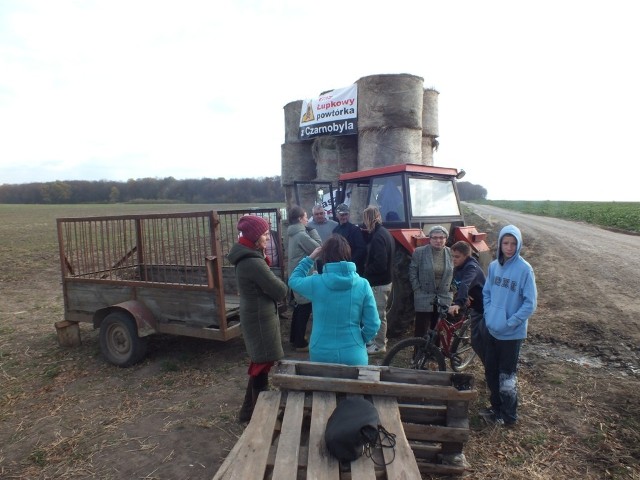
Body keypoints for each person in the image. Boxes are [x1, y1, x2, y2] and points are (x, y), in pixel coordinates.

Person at [227, 215, 288, 423]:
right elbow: (279, 290)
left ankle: (247, 413)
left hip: (255, 316)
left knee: (259, 364)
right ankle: (260, 419)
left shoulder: (248, 257)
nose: (267, 239)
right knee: (261, 366)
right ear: (254, 237)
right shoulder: (253, 262)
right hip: (260, 320)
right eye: (264, 235)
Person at [288, 234, 380, 366]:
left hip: (321, 352)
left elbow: (293, 280)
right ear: (348, 253)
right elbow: (373, 324)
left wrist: (310, 258)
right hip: (354, 354)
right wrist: (360, 340)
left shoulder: (316, 282)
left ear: (324, 255)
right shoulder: (363, 284)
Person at [481, 225, 537, 426]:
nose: (509, 247)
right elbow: (487, 293)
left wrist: (510, 322)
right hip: (492, 329)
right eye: (506, 243)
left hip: (511, 335)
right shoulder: (494, 266)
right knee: (491, 371)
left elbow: (530, 304)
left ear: (519, 244)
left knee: (507, 376)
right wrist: (489, 315)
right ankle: (495, 409)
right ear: (500, 244)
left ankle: (509, 416)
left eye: (514, 243)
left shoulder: (524, 270)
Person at [287, 205, 322, 351]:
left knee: (299, 306)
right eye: (306, 216)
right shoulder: (302, 235)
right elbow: (319, 248)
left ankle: (294, 338)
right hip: (303, 276)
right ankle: (300, 343)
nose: (308, 219)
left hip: (296, 274)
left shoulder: (292, 233)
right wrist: (313, 230)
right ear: (300, 219)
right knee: (305, 307)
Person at [361, 205, 395, 355]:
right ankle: (377, 340)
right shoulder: (384, 232)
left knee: (379, 315)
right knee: (379, 313)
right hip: (385, 280)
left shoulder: (378, 237)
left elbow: (380, 263)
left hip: (379, 283)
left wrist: (365, 271)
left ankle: (379, 345)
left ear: (368, 219)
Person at [409, 225, 454, 338]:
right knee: (421, 329)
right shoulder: (420, 252)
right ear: (430, 238)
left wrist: (453, 289)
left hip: (443, 296)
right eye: (434, 237)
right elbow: (412, 272)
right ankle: (419, 354)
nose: (438, 240)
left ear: (446, 239)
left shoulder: (451, 253)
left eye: (441, 237)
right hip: (424, 295)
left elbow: (457, 273)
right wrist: (417, 289)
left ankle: (435, 354)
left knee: (438, 329)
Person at [449, 241, 486, 364]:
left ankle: (490, 365)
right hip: (475, 307)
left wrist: (458, 303)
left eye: (457, 257)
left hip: (485, 309)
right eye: (452, 256)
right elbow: (456, 284)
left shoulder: (471, 267)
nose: (454, 259)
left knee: (485, 342)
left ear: (466, 256)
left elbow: (465, 283)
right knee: (475, 343)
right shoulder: (458, 267)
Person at [332, 203, 367, 275]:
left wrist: (350, 263)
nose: (344, 217)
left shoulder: (355, 230)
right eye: (342, 215)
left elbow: (361, 249)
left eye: (346, 214)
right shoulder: (335, 231)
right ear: (337, 215)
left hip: (352, 268)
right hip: (339, 267)